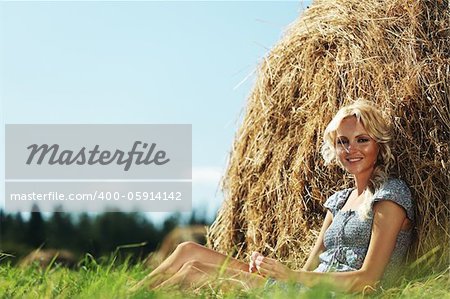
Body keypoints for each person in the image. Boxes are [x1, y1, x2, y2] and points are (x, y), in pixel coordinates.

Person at [133, 100, 415, 293]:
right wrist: (269, 269)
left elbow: (366, 281)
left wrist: (290, 277)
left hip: (335, 294)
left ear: (379, 143)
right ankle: (123, 294)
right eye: (343, 141)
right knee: (187, 251)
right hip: (304, 287)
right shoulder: (338, 201)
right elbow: (309, 268)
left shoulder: (390, 197)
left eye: (362, 140)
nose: (351, 149)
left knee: (195, 270)